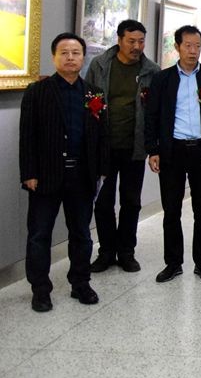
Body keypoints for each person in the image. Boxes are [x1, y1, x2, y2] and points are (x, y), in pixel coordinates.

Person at [19, 33, 108, 312]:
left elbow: (101, 136)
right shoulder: (37, 91)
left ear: (83, 57)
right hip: (45, 176)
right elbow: (27, 136)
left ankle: (80, 283)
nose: (70, 58)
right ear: (54, 57)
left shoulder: (94, 93)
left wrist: (101, 171)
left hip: (82, 175)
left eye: (76, 53)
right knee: (39, 235)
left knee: (81, 233)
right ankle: (40, 290)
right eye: (64, 53)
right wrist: (29, 173)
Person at [145, 25, 201, 283]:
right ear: (177, 47)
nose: (193, 51)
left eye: (197, 46)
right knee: (171, 210)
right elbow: (151, 116)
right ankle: (173, 263)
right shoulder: (163, 79)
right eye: (188, 45)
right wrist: (153, 150)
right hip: (173, 150)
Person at [85, 19, 160, 273]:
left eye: (141, 41)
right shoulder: (100, 65)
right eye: (131, 41)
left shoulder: (151, 71)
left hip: (134, 147)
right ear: (119, 40)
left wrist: (153, 146)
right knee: (103, 202)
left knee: (131, 201)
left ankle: (127, 251)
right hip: (104, 147)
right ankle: (106, 252)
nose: (136, 46)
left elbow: (155, 112)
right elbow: (88, 102)